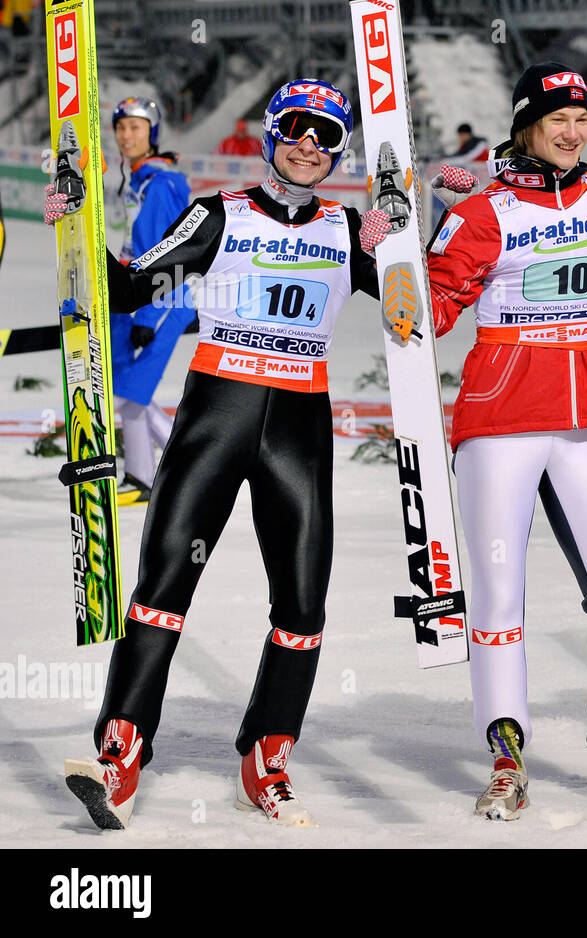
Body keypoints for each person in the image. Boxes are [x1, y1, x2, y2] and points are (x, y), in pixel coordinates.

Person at [52, 79, 388, 830]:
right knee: (164, 583)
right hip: (218, 414)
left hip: (297, 425)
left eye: (328, 136)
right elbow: (136, 288)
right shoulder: (219, 214)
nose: (310, 145)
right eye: (297, 129)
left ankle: (266, 756)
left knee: (302, 603)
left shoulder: (348, 228)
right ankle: (122, 751)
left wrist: (416, 227)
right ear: (271, 136)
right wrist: (78, 227)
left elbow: (427, 301)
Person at [422, 62, 587, 820]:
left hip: (586, 424)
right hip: (499, 422)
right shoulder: (484, 210)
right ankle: (507, 760)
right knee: (502, 594)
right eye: (555, 118)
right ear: (525, 125)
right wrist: (402, 244)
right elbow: (429, 313)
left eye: (580, 117)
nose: (571, 130)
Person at [108, 97, 195, 505]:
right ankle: (146, 477)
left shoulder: (160, 184)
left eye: (136, 128)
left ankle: (167, 474)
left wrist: (150, 311)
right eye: (121, 127)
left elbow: (164, 255)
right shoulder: (139, 178)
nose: (126, 136)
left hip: (164, 297)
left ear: (152, 133)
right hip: (134, 294)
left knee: (127, 393)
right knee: (127, 392)